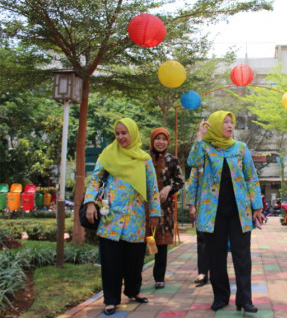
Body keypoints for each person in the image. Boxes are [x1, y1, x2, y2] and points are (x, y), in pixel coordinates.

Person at [187, 110, 264, 313]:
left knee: (242, 257)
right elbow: (192, 163)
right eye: (225, 122)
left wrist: (257, 207)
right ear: (215, 125)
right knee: (216, 257)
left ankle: (245, 300)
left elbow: (251, 177)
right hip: (213, 213)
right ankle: (220, 296)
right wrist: (200, 137)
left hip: (239, 212)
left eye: (232, 122)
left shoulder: (240, 148)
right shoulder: (205, 149)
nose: (230, 126)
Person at [84, 117, 161, 316]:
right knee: (111, 261)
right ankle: (111, 300)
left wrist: (154, 213)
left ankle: (133, 291)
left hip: (135, 219)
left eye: (124, 133)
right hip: (111, 217)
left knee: (134, 260)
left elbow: (152, 188)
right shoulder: (107, 155)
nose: (120, 137)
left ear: (133, 133)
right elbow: (95, 180)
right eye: (117, 133)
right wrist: (90, 202)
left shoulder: (144, 160)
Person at [149, 127, 185, 289]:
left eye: (164, 139)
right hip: (143, 206)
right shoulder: (144, 158)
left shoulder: (172, 160)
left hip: (165, 207)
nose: (161, 142)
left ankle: (159, 277)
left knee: (161, 243)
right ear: (152, 140)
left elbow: (180, 181)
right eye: (158, 138)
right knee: (140, 241)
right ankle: (134, 277)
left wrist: (168, 188)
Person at [186, 167, 210, 287]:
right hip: (203, 208)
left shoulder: (224, 153)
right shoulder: (199, 161)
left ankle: (217, 272)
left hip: (222, 208)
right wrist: (191, 206)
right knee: (202, 241)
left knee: (219, 242)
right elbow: (192, 184)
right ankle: (202, 272)